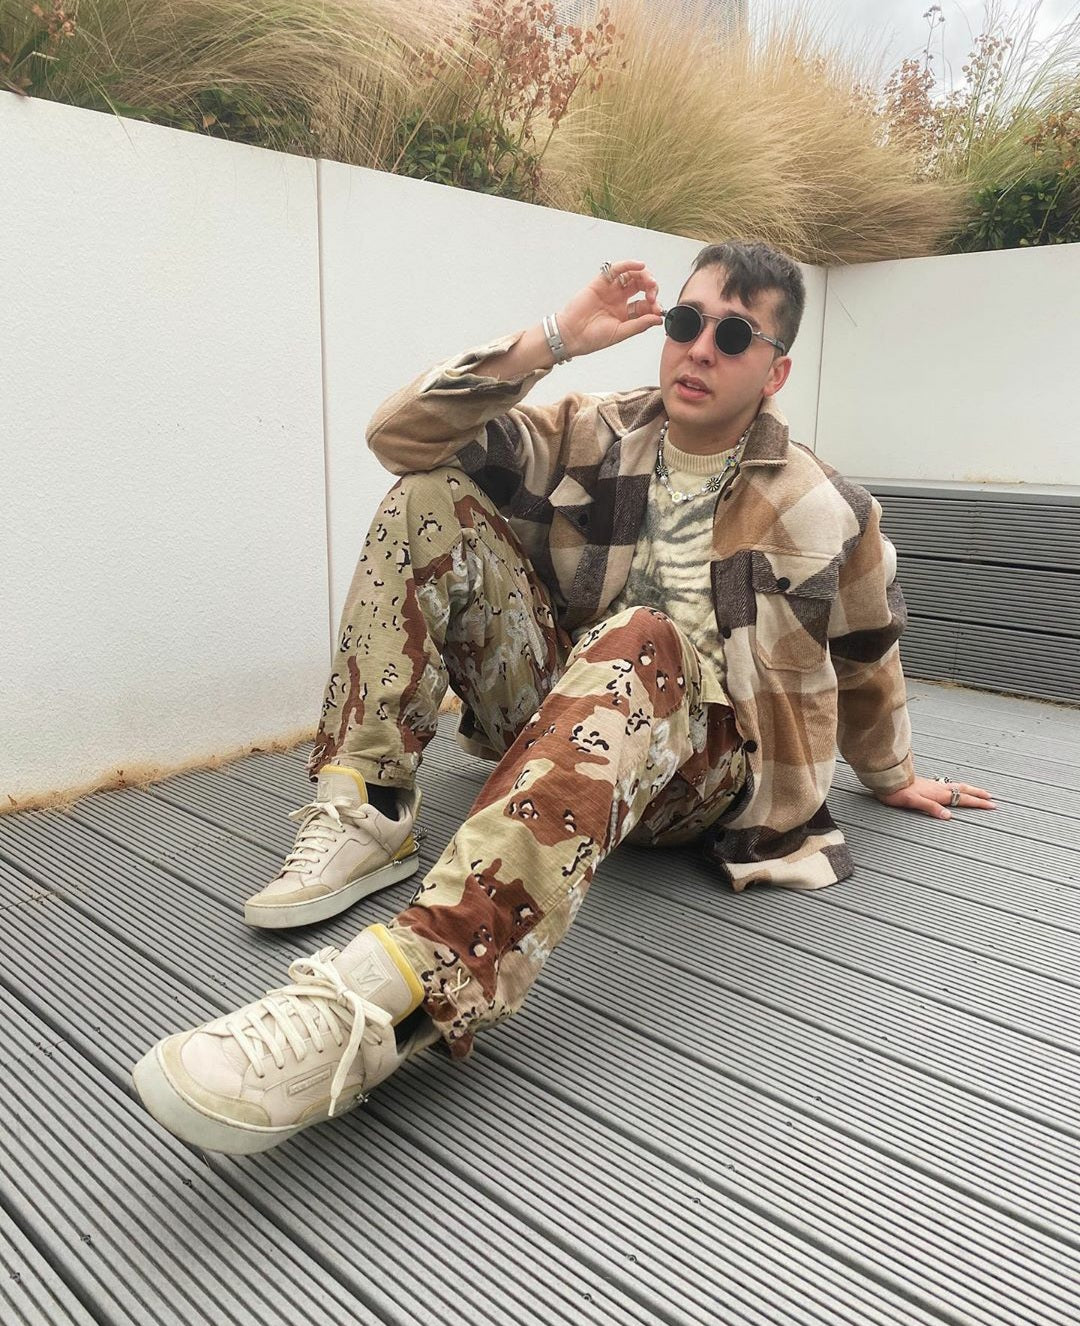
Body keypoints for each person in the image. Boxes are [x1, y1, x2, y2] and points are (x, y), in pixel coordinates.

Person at [132, 241, 996, 1155]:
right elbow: (400, 438)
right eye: (687, 321)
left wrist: (891, 774)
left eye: (735, 336)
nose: (700, 348)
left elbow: (867, 653)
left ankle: (389, 996)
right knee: (426, 496)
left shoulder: (827, 507)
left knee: (644, 637)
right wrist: (554, 339)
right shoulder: (597, 431)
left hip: (702, 776)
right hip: (562, 721)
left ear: (775, 371)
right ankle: (371, 807)